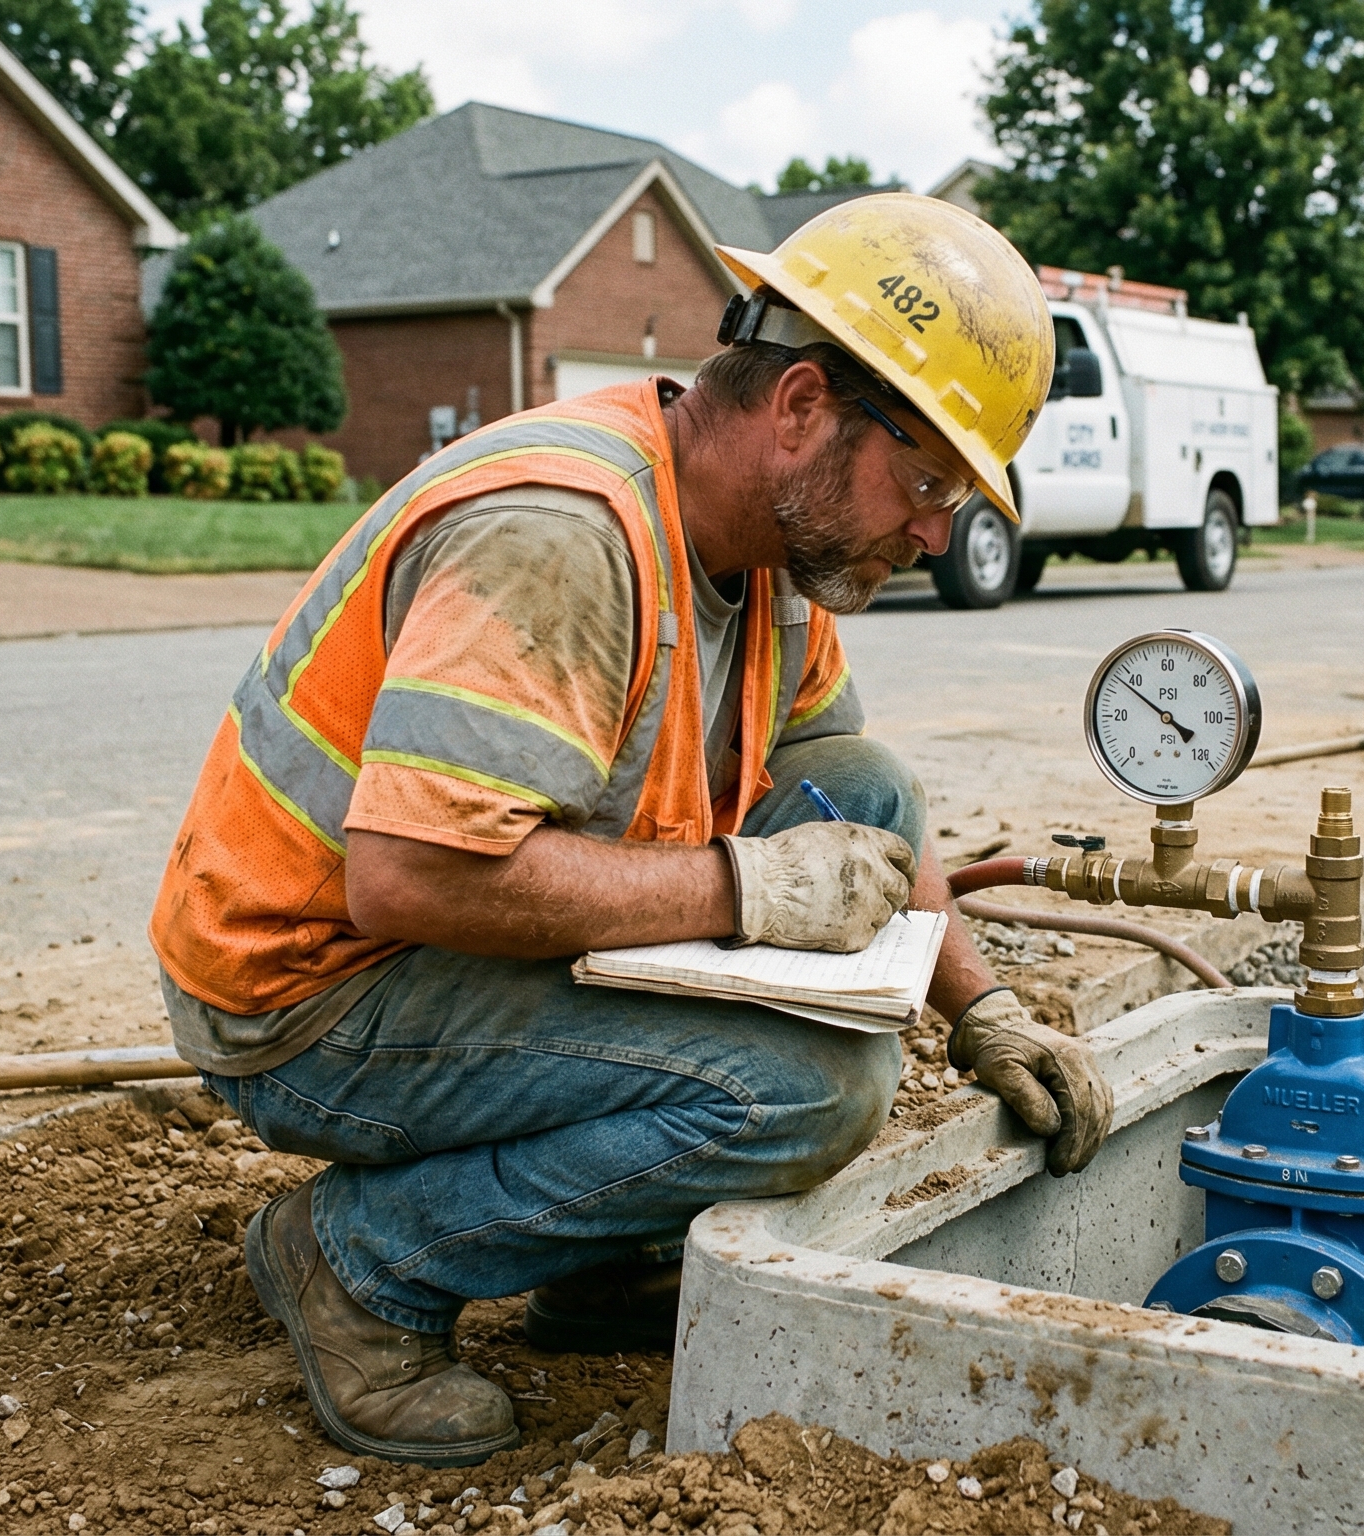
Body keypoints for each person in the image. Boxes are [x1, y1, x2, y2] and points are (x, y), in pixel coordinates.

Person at [146, 194, 1114, 1467]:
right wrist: (743, 891)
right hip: (313, 1000)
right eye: (925, 479)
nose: (937, 531)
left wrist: (980, 1005)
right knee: (811, 1089)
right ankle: (356, 1264)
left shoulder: (770, 549)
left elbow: (854, 794)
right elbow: (409, 878)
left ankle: (603, 1261)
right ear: (802, 408)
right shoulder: (562, 535)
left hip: (452, 950)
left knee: (864, 784)